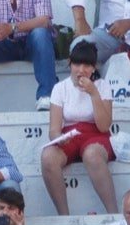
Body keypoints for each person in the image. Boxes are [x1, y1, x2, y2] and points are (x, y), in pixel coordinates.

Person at [40, 41, 117, 216]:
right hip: (70, 135)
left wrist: (93, 93)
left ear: (93, 68)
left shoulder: (102, 86)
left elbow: (104, 125)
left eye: (86, 65)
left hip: (96, 134)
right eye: (77, 64)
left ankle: (113, 212)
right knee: (48, 157)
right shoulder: (60, 88)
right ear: (70, 64)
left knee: (92, 154)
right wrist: (58, 138)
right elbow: (53, 129)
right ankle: (64, 215)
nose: (81, 70)